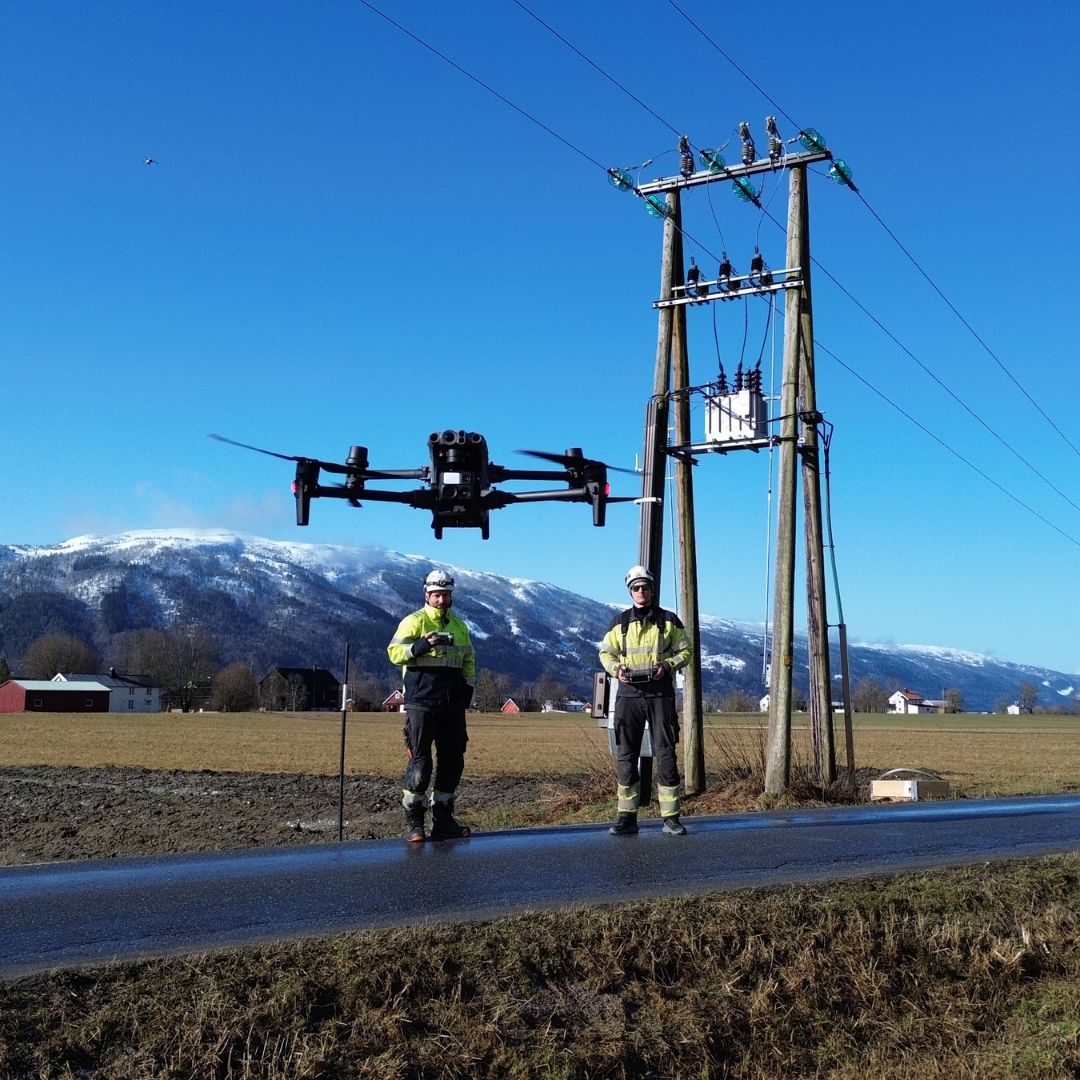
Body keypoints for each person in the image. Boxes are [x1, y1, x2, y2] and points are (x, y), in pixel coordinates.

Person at [598, 564, 693, 836]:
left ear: (652, 590)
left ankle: (671, 817)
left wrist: (669, 665)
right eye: (636, 588)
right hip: (629, 695)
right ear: (630, 592)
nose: (641, 592)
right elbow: (606, 654)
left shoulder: (669, 620)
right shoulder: (619, 622)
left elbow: (686, 651)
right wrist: (617, 670)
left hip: (660, 693)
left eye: (645, 587)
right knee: (626, 754)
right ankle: (627, 816)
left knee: (665, 753)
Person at [387, 569, 476, 842]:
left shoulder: (459, 626)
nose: (441, 600)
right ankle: (415, 823)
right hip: (422, 702)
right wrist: (419, 646)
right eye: (436, 595)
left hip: (452, 704)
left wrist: (468, 690)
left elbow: (469, 659)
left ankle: (443, 821)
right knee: (420, 764)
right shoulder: (414, 622)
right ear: (427, 595)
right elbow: (393, 652)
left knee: (452, 761)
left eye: (445, 595)